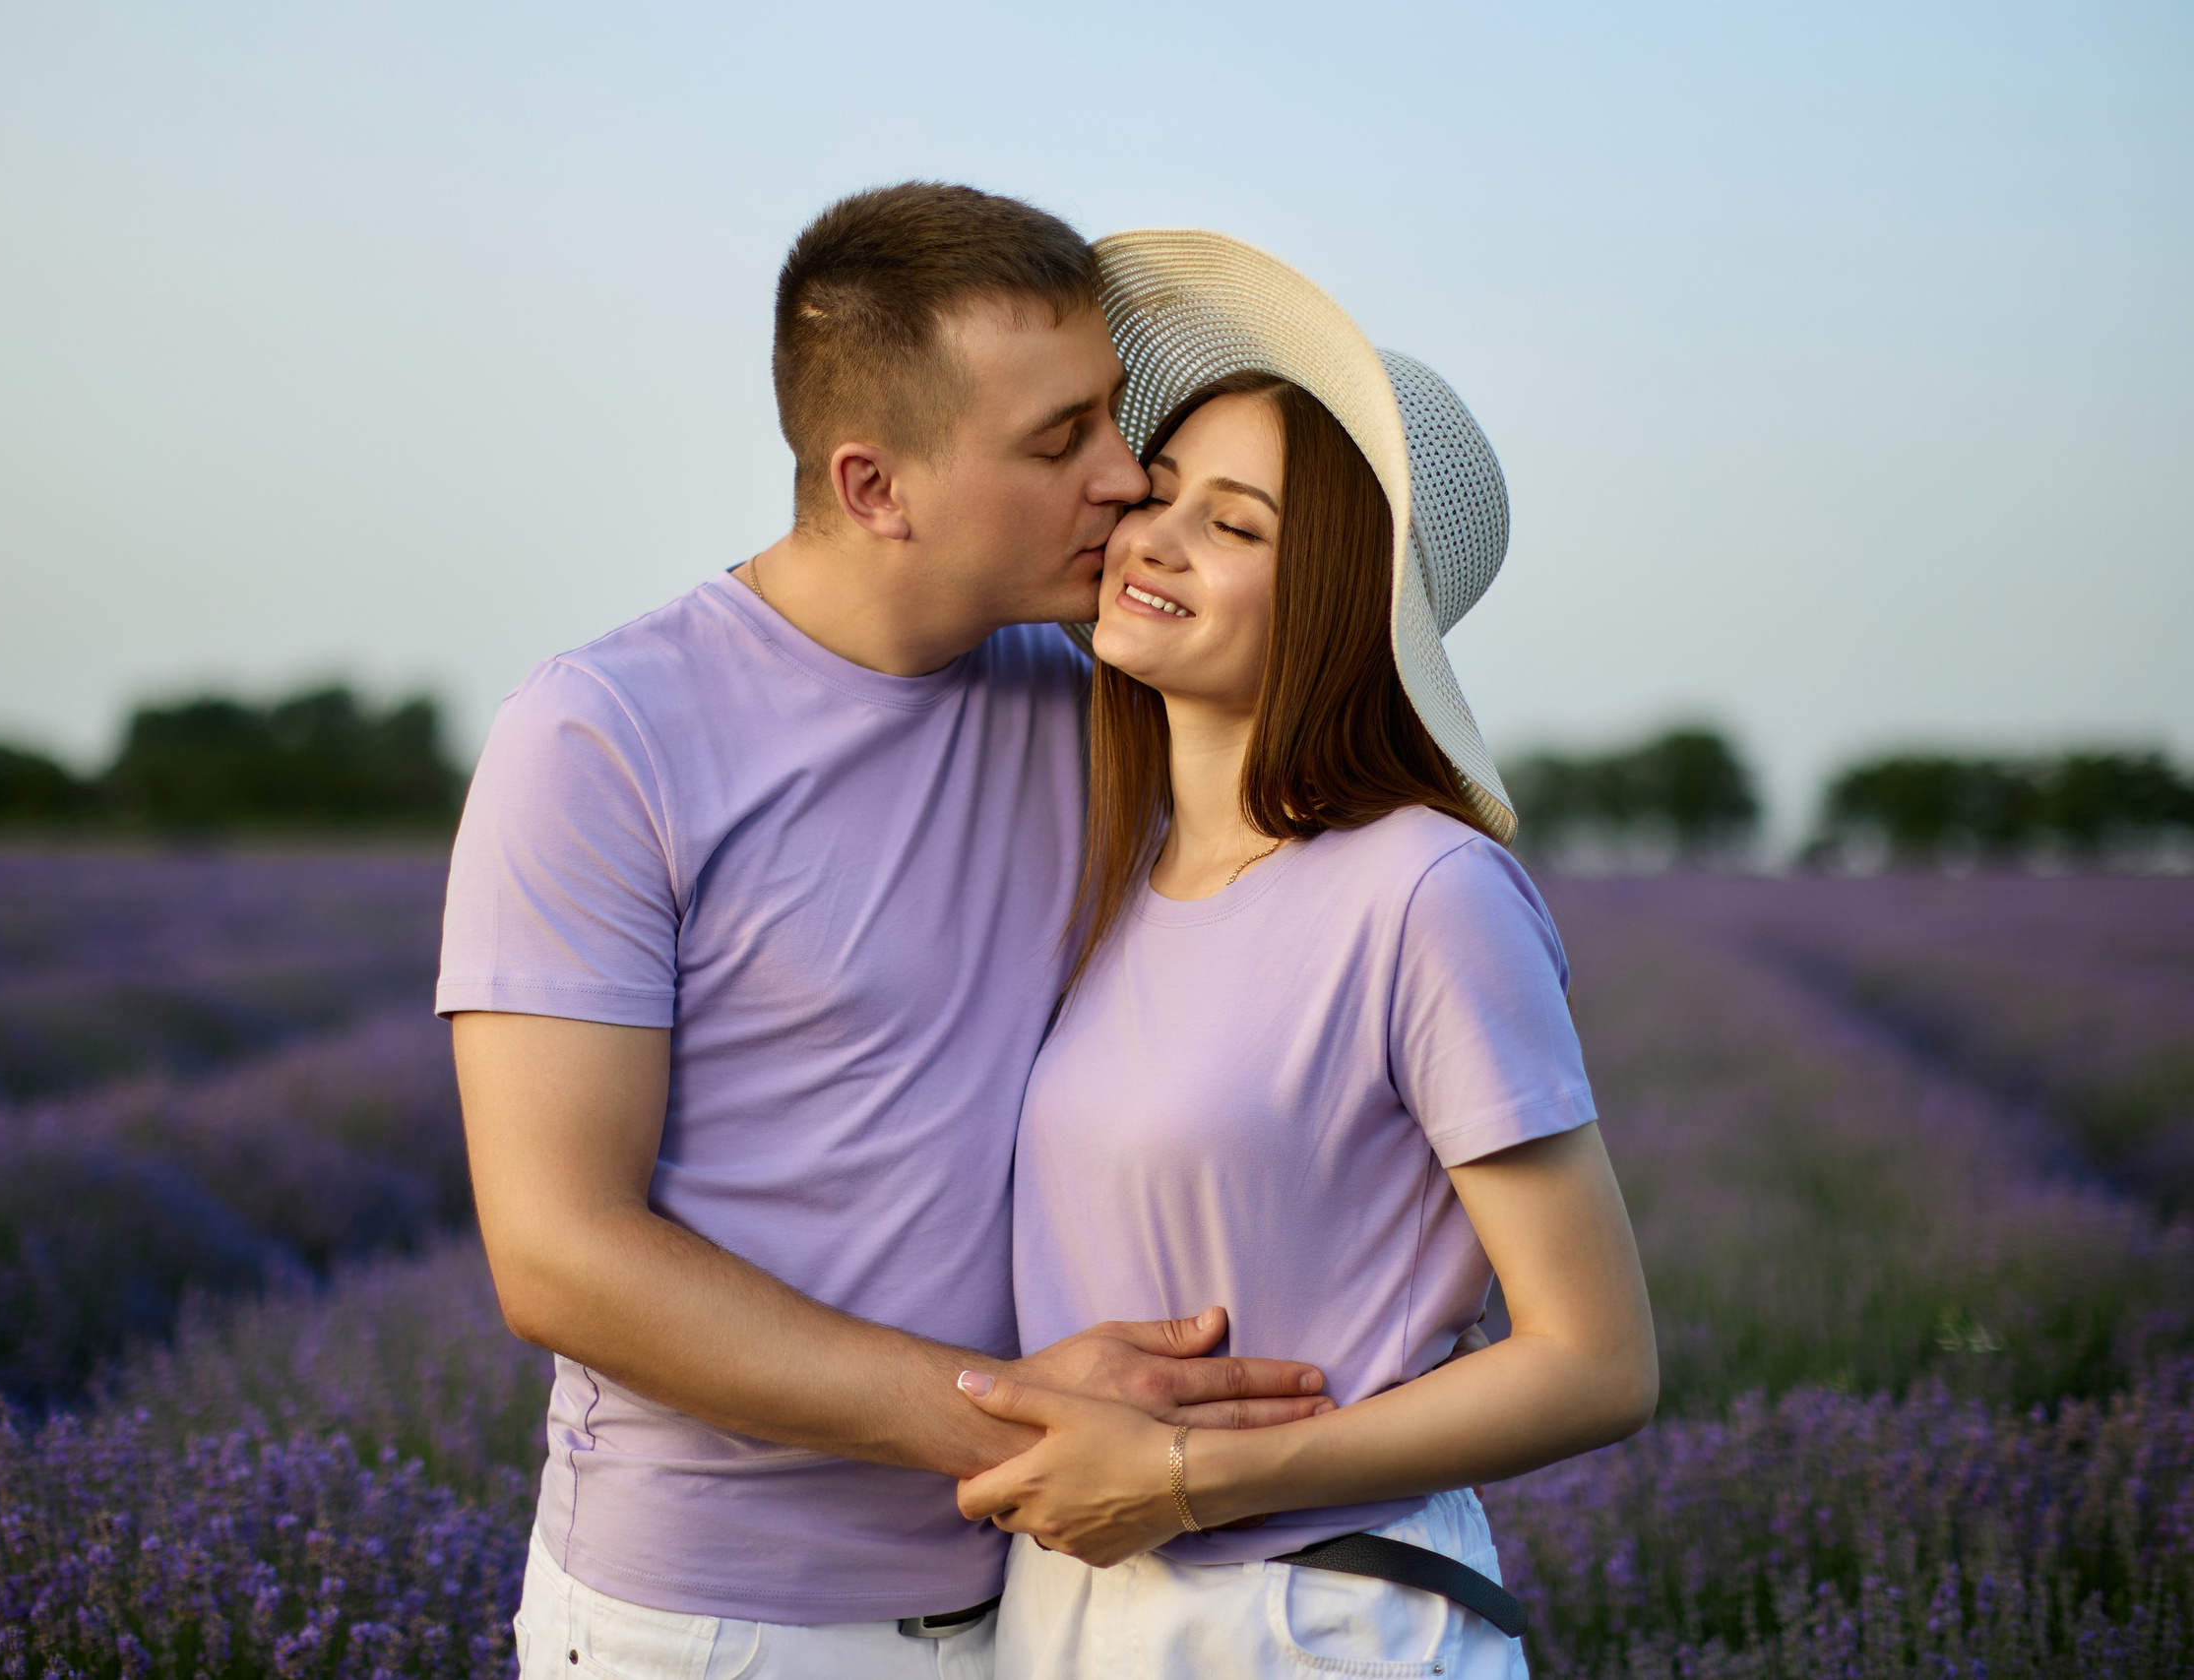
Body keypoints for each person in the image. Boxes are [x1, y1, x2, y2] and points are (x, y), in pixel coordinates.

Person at [439, 189, 1339, 1679]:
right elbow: (560, 1257)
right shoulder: (602, 737)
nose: (1124, 478)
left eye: (1117, 417)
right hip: (714, 1625)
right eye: (1060, 443)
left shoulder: (1104, 697)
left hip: (1070, 1600)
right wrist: (1022, 1414)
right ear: (874, 487)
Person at [948, 231, 1660, 1679]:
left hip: (1315, 1617)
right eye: (1162, 493)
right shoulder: (1110, 878)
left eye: (1237, 525)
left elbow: (1598, 1361)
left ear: (1339, 594)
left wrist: (1191, 1479)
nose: (1151, 539)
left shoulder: (1426, 890)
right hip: (1072, 1618)